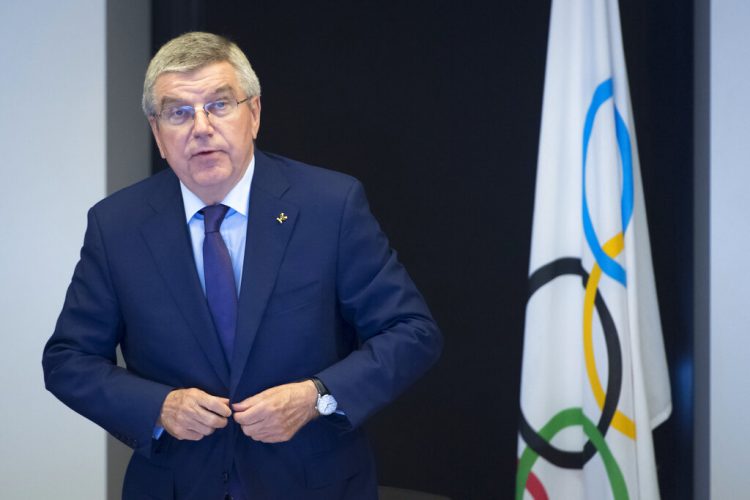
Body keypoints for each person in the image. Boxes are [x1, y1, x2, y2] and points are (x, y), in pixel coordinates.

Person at [42, 32, 442, 500]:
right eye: (179, 112)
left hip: (314, 483)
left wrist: (315, 397)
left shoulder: (329, 205)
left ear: (253, 114)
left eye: (219, 104)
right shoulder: (117, 225)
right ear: (158, 133)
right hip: (175, 486)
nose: (201, 127)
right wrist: (158, 407)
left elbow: (412, 331)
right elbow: (68, 360)